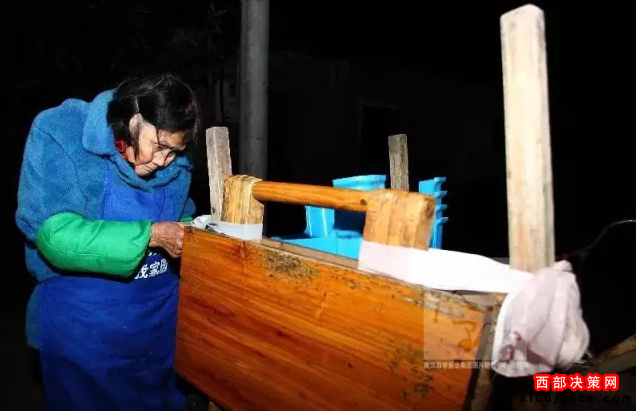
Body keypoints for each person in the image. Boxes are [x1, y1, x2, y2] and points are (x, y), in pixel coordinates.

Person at [15, 73, 202, 411]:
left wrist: (193, 230)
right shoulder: (61, 132)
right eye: (159, 147)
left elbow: (183, 214)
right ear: (133, 119)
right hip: (84, 330)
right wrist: (152, 234)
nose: (164, 162)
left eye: (174, 152)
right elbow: (54, 237)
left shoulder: (172, 153)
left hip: (156, 328)